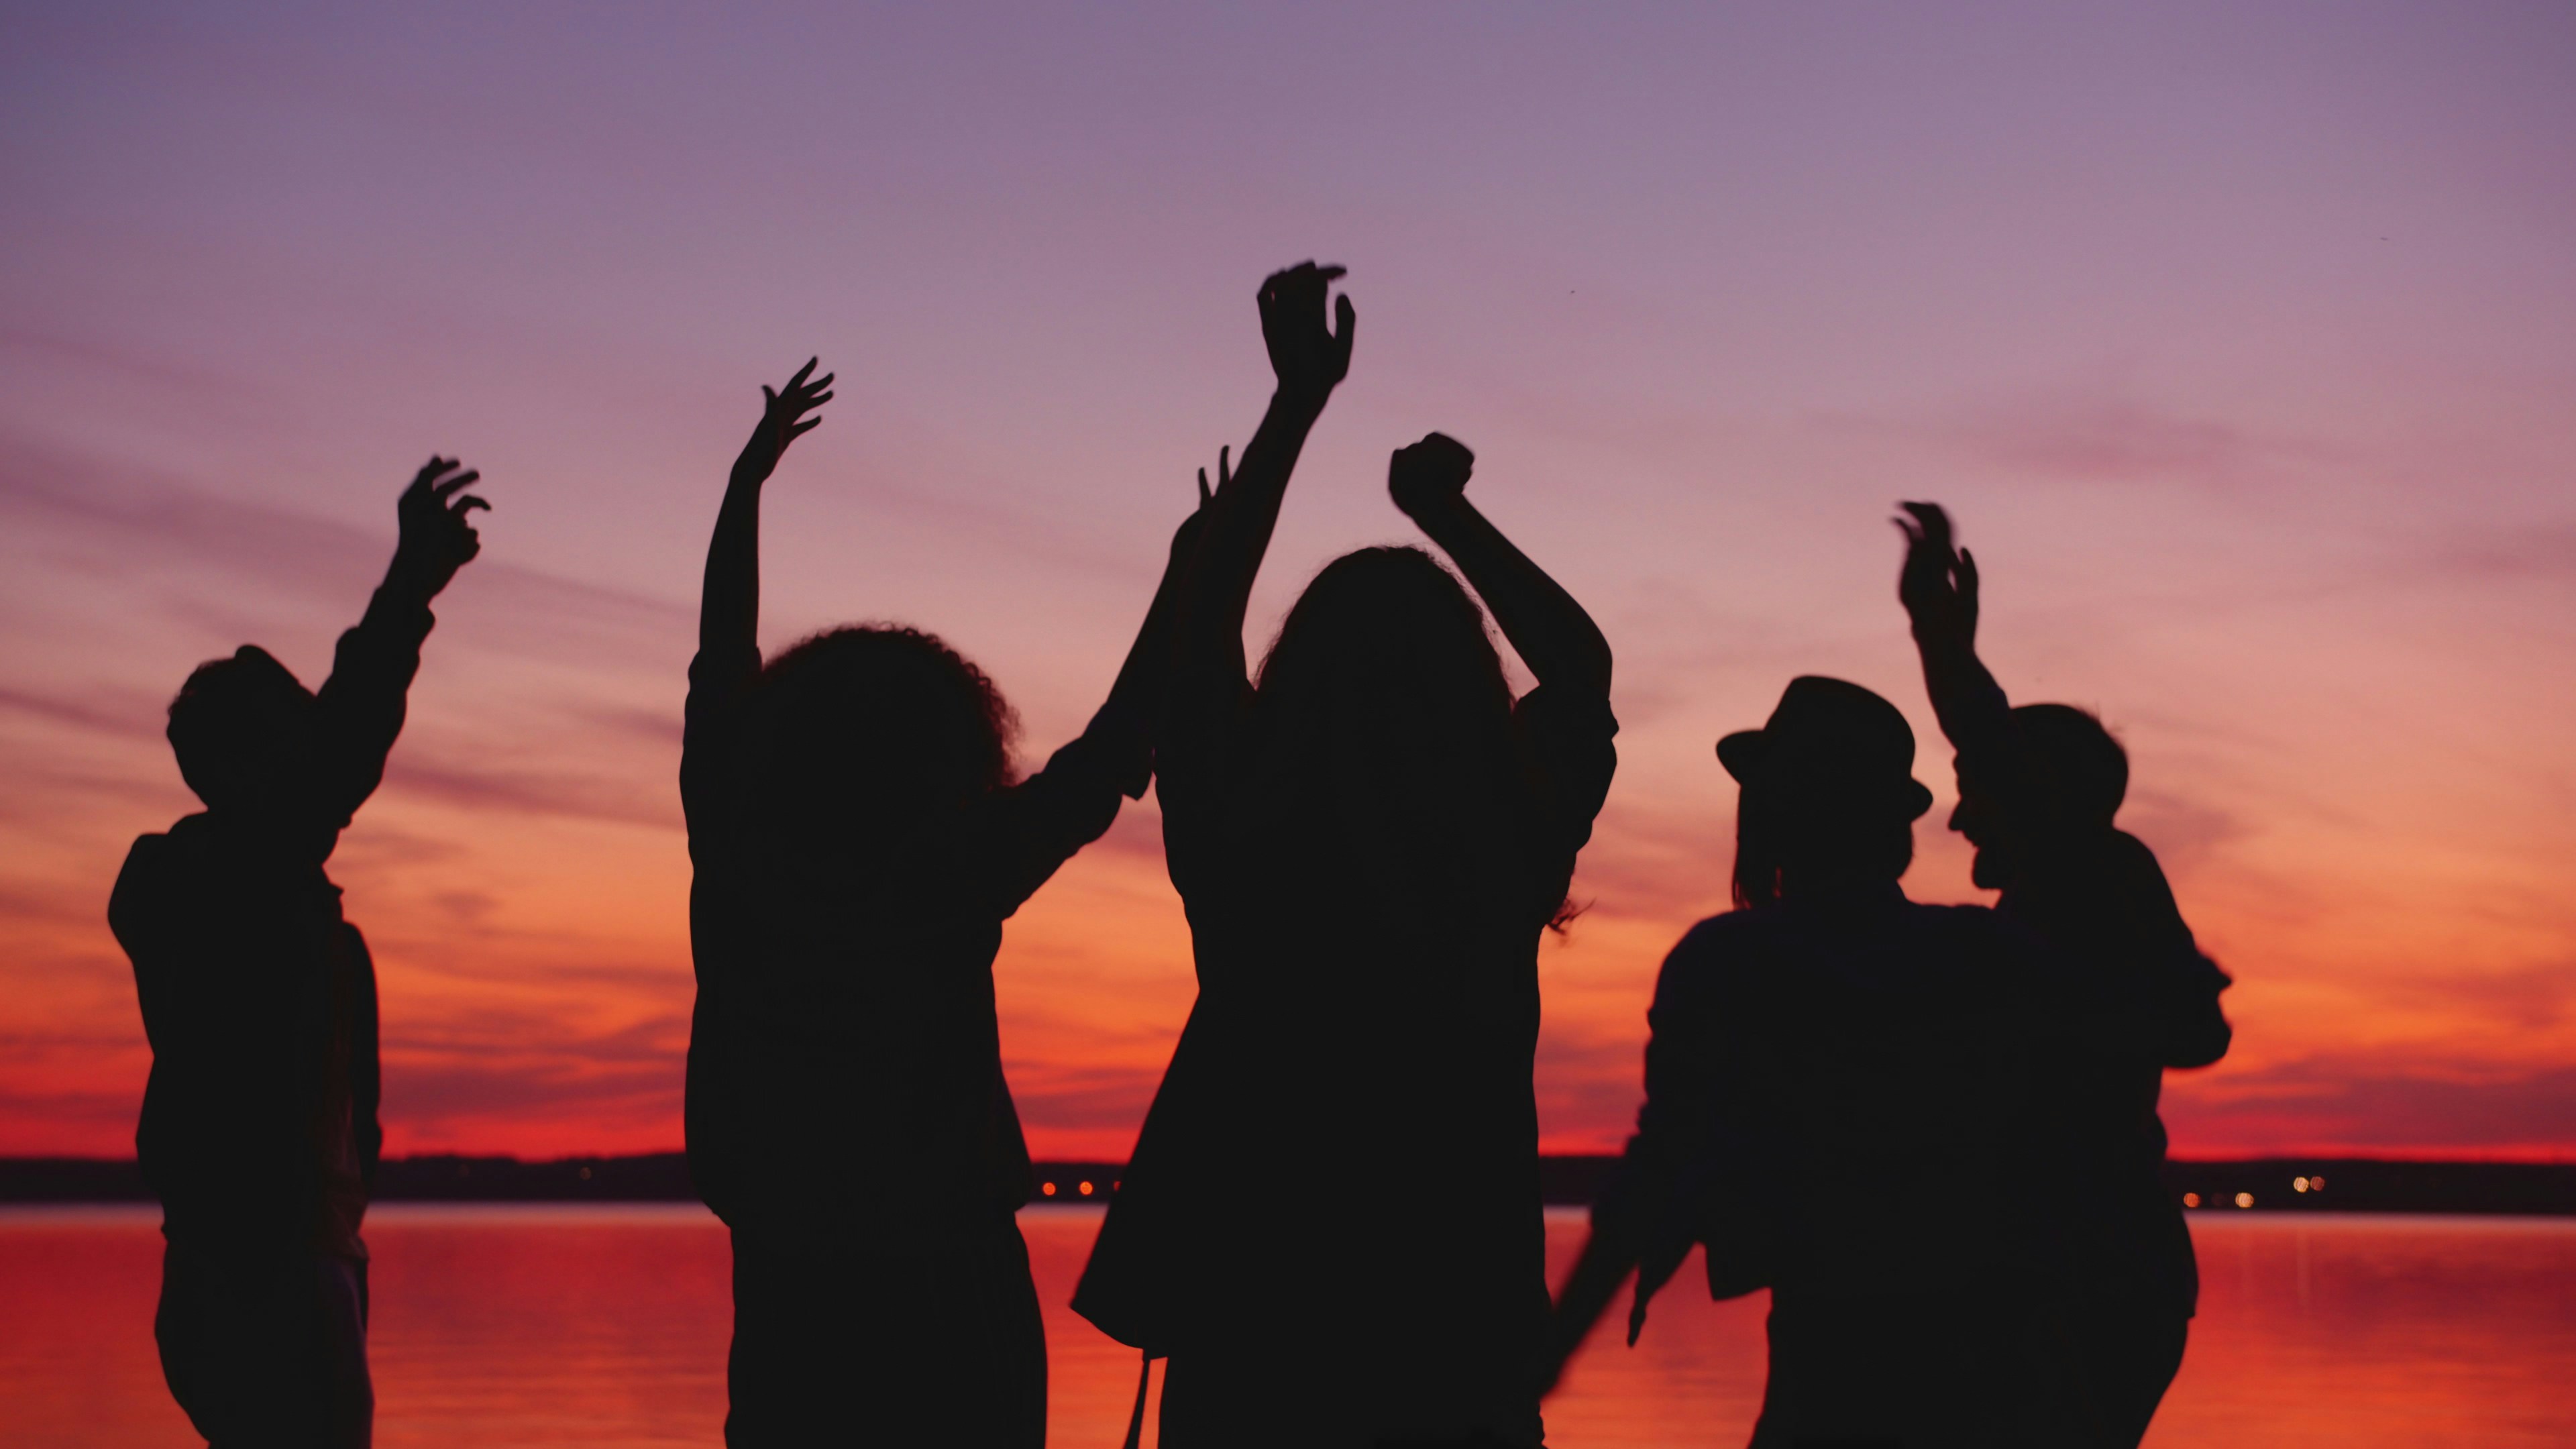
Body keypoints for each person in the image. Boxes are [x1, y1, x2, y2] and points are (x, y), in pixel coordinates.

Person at [1073, 264, 1619, 1449]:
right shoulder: (1505, 843)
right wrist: (1442, 510)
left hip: (1254, 1333)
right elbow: (1581, 674)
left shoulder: (1239, 832)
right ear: (1471, 695)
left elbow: (1201, 635)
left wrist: (1294, 409)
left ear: (1297, 678)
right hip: (1457, 1335)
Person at [682, 360, 1201, 1447]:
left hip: (792, 1291)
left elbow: (720, 660)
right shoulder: (952, 866)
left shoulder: (740, 853)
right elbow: (1107, 756)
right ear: (946, 749)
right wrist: (1190, 577)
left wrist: (747, 482)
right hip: (950, 1284)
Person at [1541, 676, 2087, 1449]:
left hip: (1827, 1362)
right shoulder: (1987, 953)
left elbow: (1659, 1168)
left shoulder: (1728, 962)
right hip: (2002, 1374)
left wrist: (1555, 1346)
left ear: (1770, 815)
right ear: (1892, 827)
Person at [110, 457, 491, 1449]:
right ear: (242, 767)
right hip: (257, 1279)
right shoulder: (198, 886)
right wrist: (408, 585)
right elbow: (336, 758)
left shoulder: (298, 920)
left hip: (288, 1269)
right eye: (295, 736)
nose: (318, 753)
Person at [1894, 500, 2233, 1447]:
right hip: (2074, 1266)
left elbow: (2194, 1032)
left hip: (2088, 1272)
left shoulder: (2094, 868)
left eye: (1975, 798)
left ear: (2036, 803)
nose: (1960, 823)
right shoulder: (2079, 884)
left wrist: (1940, 635)